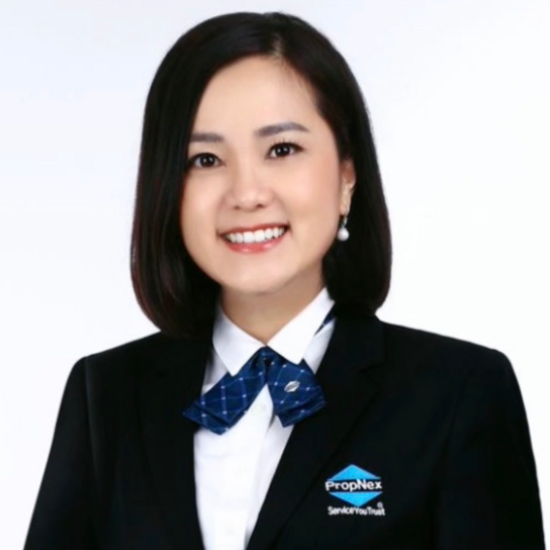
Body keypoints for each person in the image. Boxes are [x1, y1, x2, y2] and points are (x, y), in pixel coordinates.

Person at [24, 11, 545, 550]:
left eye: (282, 150)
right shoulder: (105, 396)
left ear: (347, 176)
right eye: (205, 159)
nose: (246, 194)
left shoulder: (458, 394)